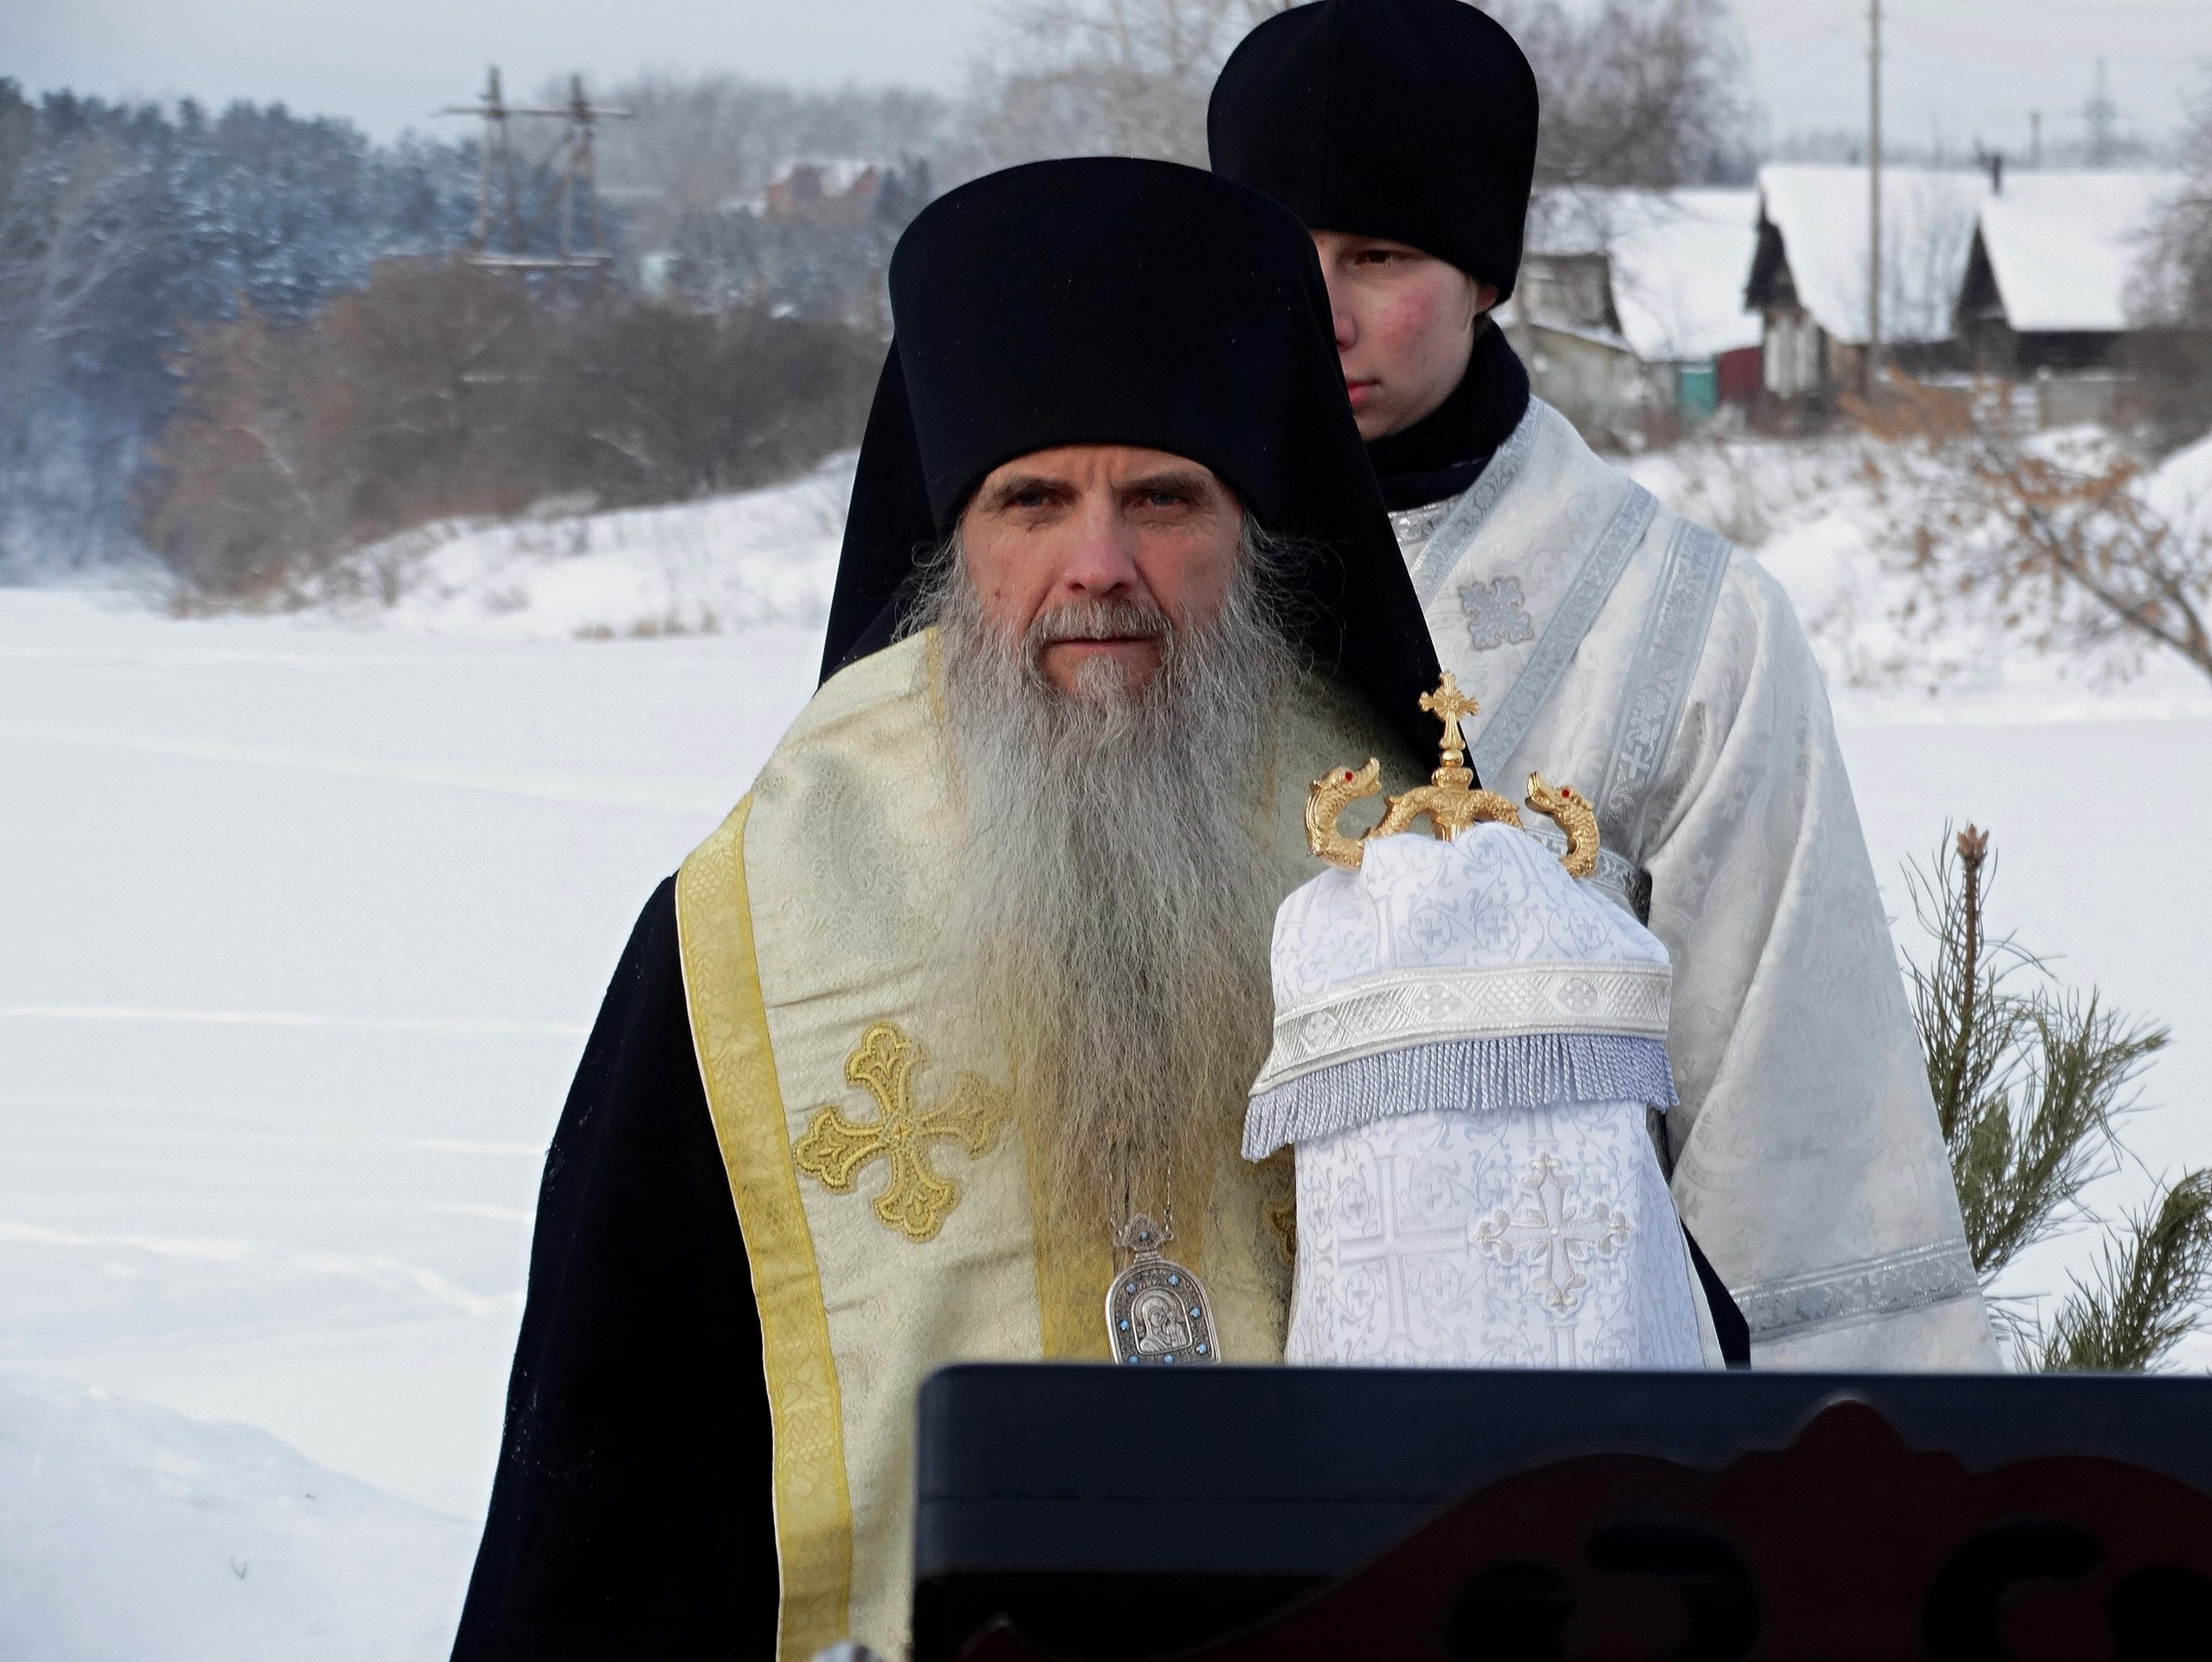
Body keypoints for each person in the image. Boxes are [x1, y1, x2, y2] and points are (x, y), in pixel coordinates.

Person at [451, 156, 1445, 1662]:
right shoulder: (760, 919)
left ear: (1256, 521)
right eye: (1030, 500)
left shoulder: (1424, 875)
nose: (1097, 567)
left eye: (1164, 498)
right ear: (953, 538)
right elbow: (616, 1484)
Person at [1209, 0, 1994, 1370]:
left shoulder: (1686, 627)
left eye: (1379, 256)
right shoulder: (1143, 595)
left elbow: (1795, 1130)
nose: (1322, 312)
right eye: (1281, 255)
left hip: (1568, 1436)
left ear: (1484, 276)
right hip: (1201, 1426)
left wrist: (1832, 1470)